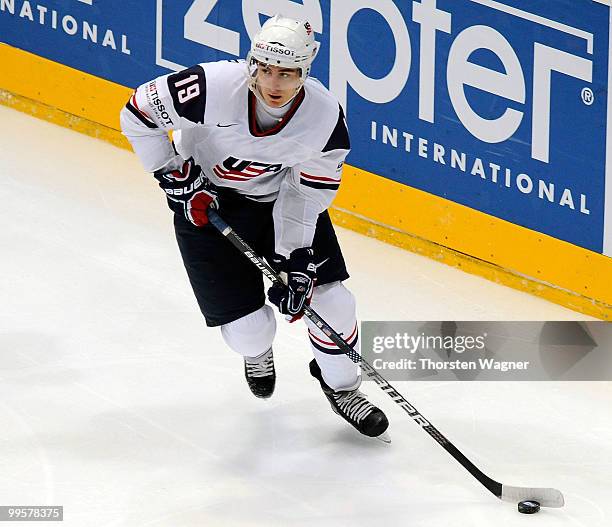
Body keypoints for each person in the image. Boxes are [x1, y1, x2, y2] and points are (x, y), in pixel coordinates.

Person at [120, 14, 389, 441]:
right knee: (249, 332)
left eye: (287, 72)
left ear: (307, 68)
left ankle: (343, 388)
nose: (274, 83)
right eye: (265, 69)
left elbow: (305, 194)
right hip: (204, 206)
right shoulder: (212, 86)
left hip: (279, 204)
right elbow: (136, 114)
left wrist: (296, 256)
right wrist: (173, 175)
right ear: (252, 63)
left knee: (333, 303)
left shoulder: (323, 119)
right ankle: (257, 351)